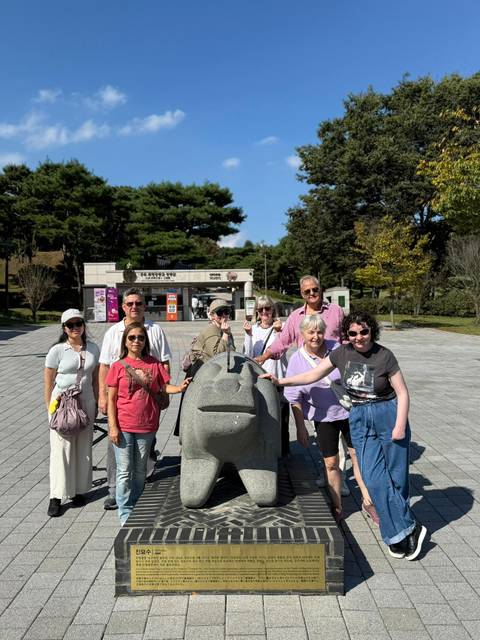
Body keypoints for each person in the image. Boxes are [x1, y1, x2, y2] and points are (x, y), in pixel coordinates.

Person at [262, 311, 427, 560]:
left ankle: (398, 534)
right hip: (360, 417)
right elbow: (313, 375)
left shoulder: (384, 356)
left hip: (388, 414)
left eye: (363, 332)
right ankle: (411, 526)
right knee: (372, 477)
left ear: (372, 331)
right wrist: (280, 381)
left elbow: (402, 392)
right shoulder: (341, 353)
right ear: (346, 335)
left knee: (396, 478)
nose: (358, 337)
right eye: (353, 333)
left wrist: (400, 425)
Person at [255, 275, 349, 494]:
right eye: (307, 291)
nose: (312, 294)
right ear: (301, 294)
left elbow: (345, 342)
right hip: (306, 380)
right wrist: (266, 355)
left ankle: (339, 477)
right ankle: (328, 471)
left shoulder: (335, 311)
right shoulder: (296, 317)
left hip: (333, 381)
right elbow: (282, 342)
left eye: (315, 289)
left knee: (342, 435)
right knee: (323, 432)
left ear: (321, 288)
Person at [283, 315, 377, 523]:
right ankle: (337, 506)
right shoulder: (297, 361)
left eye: (319, 332)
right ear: (303, 334)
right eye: (311, 332)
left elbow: (361, 374)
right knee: (331, 463)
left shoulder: (337, 349)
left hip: (350, 412)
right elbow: (294, 397)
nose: (316, 336)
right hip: (324, 418)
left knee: (358, 457)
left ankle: (368, 501)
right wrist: (300, 428)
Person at [106, 322, 190, 525]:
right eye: (132, 337)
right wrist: (113, 427)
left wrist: (179, 388)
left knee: (141, 469)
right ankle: (125, 512)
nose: (136, 341)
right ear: (125, 341)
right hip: (124, 425)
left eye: (140, 338)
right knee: (124, 470)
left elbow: (163, 386)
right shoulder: (118, 366)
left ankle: (136, 504)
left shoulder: (154, 364)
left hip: (147, 425)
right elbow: (111, 399)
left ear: (145, 341)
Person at [98, 288, 172, 510]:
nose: (134, 307)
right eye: (129, 303)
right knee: (117, 444)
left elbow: (165, 361)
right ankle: (115, 490)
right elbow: (104, 366)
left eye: (138, 303)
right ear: (122, 307)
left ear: (144, 306)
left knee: (146, 443)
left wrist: (163, 392)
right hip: (121, 399)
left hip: (148, 395)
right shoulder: (113, 332)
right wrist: (102, 395)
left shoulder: (155, 330)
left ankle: (142, 484)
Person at [44, 309, 99, 517]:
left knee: (83, 447)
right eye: (70, 325)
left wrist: (99, 399)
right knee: (61, 449)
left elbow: (95, 378)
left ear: (84, 325)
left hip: (86, 401)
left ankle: (78, 490)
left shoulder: (93, 348)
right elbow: (48, 381)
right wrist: (49, 408)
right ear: (64, 328)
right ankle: (56, 496)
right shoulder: (57, 350)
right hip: (62, 402)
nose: (75, 328)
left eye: (78, 323)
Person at [243, 295, 290, 455]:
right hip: (259, 380)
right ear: (257, 311)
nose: (264, 312)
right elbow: (248, 355)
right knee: (263, 417)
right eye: (261, 309)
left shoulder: (281, 327)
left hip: (277, 378)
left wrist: (278, 333)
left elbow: (281, 352)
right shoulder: (254, 329)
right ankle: (263, 449)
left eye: (267, 308)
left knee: (281, 416)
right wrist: (248, 334)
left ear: (273, 310)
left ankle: (282, 451)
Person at [189, 298, 235, 367]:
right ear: (212, 315)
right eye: (219, 312)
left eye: (226, 311)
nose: (223, 315)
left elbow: (232, 350)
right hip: (205, 371)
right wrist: (225, 334)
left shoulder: (225, 329)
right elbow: (216, 356)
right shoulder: (210, 330)